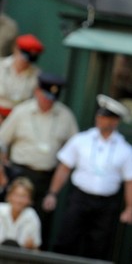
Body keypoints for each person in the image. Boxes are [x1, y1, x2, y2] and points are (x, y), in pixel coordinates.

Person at [43, 94, 132, 261]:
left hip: (106, 204)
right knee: (67, 239)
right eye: (99, 115)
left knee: (98, 246)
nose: (100, 120)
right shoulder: (81, 140)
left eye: (105, 117)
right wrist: (53, 193)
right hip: (79, 198)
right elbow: (63, 168)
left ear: (115, 121)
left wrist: (130, 208)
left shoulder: (126, 149)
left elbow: (131, 181)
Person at [0, 72, 78, 249]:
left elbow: (74, 150)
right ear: (37, 92)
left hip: (46, 178)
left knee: (40, 223)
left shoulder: (66, 116)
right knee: (8, 220)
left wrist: (54, 190)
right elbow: (2, 142)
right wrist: (2, 172)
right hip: (19, 174)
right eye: (45, 96)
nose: (48, 101)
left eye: (53, 98)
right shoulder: (21, 111)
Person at [0, 34, 44, 122]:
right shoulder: (1, 65)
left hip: (20, 119)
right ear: (16, 49)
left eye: (29, 59)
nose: (25, 61)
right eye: (23, 55)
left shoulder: (37, 75)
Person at [0, 177, 41, 249]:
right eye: (16, 195)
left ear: (30, 200)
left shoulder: (32, 216)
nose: (19, 200)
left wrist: (31, 247)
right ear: (9, 196)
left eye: (23, 196)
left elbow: (37, 251)